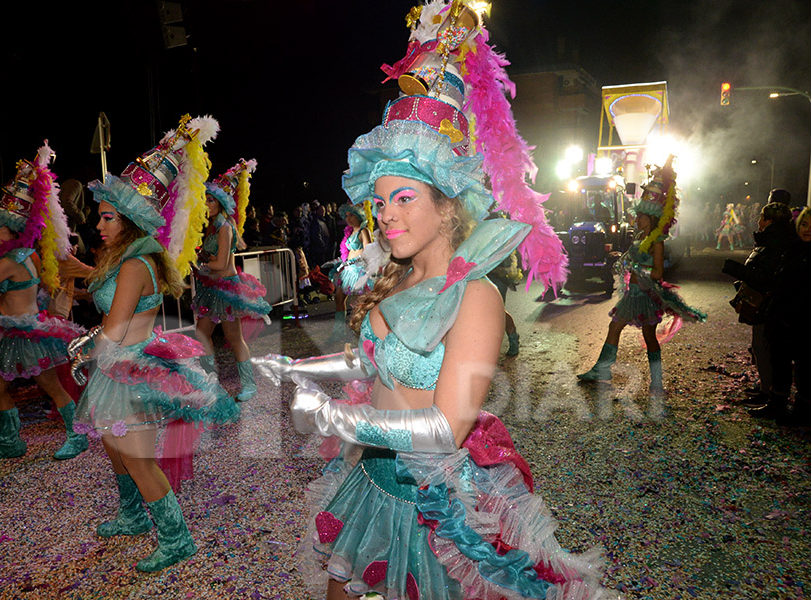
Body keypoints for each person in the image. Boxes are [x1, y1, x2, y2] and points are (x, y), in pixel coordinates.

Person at [255, 4, 604, 598]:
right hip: (370, 478)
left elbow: (446, 425)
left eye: (404, 198)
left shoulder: (477, 298)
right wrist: (298, 367)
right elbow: (373, 363)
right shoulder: (395, 280)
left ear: (447, 205)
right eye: (381, 200)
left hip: (434, 507)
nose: (386, 214)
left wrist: (335, 416)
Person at [70, 115, 239, 572]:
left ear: (127, 220)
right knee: (115, 445)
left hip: (126, 363)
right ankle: (131, 516)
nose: (98, 225)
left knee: (138, 459)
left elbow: (116, 325)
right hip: (117, 363)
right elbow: (109, 311)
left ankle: (176, 539)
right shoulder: (128, 257)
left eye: (107, 217)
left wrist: (84, 347)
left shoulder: (133, 264)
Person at [0, 142, 88, 462]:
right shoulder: (30, 255)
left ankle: (76, 436)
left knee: (48, 387)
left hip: (25, 334)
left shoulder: (10, 261)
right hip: (21, 332)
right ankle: (11, 441)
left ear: (14, 230)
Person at [578, 157, 706, 394]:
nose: (636, 219)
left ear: (650, 218)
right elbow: (633, 259)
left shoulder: (657, 242)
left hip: (646, 295)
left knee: (649, 337)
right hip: (633, 294)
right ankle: (602, 369)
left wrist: (638, 271)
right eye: (637, 216)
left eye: (641, 217)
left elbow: (657, 272)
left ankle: (656, 381)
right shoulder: (638, 238)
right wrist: (622, 260)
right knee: (614, 327)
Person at [192, 158, 271, 401]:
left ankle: (249, 385)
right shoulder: (211, 226)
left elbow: (222, 264)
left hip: (227, 288)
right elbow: (210, 256)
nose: (207, 203)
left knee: (234, 338)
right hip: (212, 287)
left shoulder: (225, 227)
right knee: (201, 334)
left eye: (211, 199)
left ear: (222, 203)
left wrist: (199, 264)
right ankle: (209, 382)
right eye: (205, 199)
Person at [720, 200, 796, 407]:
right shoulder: (773, 239)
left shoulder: (775, 242)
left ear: (770, 221)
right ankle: (766, 389)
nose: (758, 220)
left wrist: (734, 269)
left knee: (764, 348)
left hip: (767, 305)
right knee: (760, 347)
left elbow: (763, 277)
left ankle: (770, 393)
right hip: (766, 303)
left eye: (761, 217)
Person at [751, 206, 811, 423]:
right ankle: (777, 404)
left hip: (802, 320)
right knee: (781, 362)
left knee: (804, 367)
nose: (807, 230)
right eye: (804, 224)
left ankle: (802, 411)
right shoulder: (794, 248)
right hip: (783, 317)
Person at [325, 203, 373, 344]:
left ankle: (364, 333)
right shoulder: (349, 232)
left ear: (359, 215)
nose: (348, 219)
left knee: (362, 304)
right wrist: (339, 263)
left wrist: (352, 262)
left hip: (359, 271)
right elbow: (347, 253)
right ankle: (338, 332)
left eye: (351, 215)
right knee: (339, 299)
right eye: (346, 216)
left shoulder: (364, 231)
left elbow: (368, 251)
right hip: (347, 271)